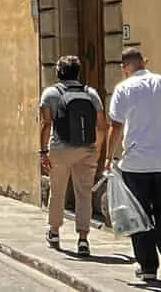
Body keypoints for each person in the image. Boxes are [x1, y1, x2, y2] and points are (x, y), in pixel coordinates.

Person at [105, 47, 161, 281]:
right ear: (144, 62)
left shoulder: (123, 88)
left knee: (139, 213)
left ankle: (147, 267)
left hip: (136, 162)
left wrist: (108, 157)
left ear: (124, 67)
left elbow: (115, 125)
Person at [38, 54, 105, 256]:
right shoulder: (91, 94)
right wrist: (97, 150)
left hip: (59, 149)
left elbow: (46, 124)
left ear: (58, 72)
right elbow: (101, 126)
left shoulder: (50, 93)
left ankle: (54, 231)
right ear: (78, 73)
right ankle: (83, 239)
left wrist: (43, 152)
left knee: (57, 191)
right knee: (83, 193)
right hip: (87, 150)